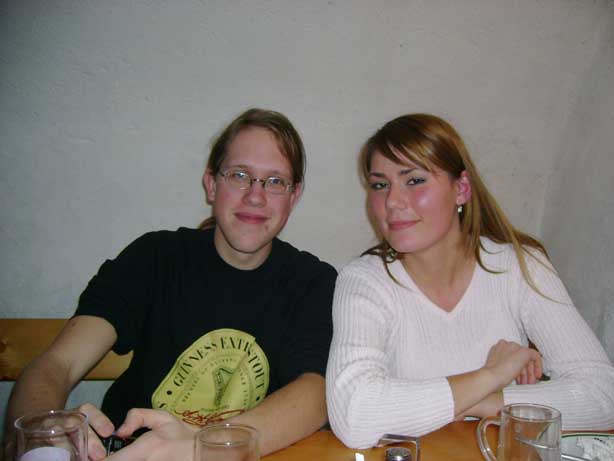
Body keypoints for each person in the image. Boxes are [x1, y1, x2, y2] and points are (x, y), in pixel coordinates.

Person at [3, 108, 337, 460]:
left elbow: (316, 394)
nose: (256, 196)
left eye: (275, 181)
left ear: (294, 196)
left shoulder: (311, 282)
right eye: (240, 175)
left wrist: (201, 448)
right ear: (212, 184)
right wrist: (42, 433)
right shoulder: (155, 258)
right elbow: (58, 364)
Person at [326, 113, 614, 448]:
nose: (392, 201)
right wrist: (490, 375)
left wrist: (483, 402)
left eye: (414, 180)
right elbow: (355, 417)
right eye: (380, 185)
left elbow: (602, 393)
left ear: (461, 189)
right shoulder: (364, 280)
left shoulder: (522, 266)